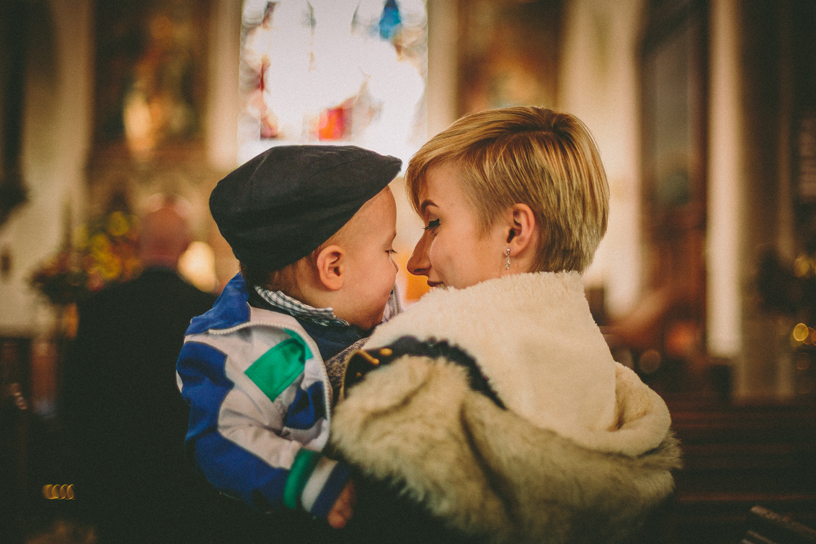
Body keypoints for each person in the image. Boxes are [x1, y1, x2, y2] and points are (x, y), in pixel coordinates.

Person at [330, 106, 682, 544]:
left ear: (514, 232)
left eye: (434, 223)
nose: (417, 261)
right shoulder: (608, 379)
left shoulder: (413, 380)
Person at [175, 144, 402, 542]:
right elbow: (223, 434)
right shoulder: (268, 354)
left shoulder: (384, 314)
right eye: (389, 250)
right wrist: (306, 478)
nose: (398, 267)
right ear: (334, 267)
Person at [62, 198, 219, 544]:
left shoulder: (99, 308)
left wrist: (83, 474)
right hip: (188, 481)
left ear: (136, 243)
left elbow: (74, 400)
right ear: (187, 245)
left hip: (116, 476)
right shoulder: (209, 311)